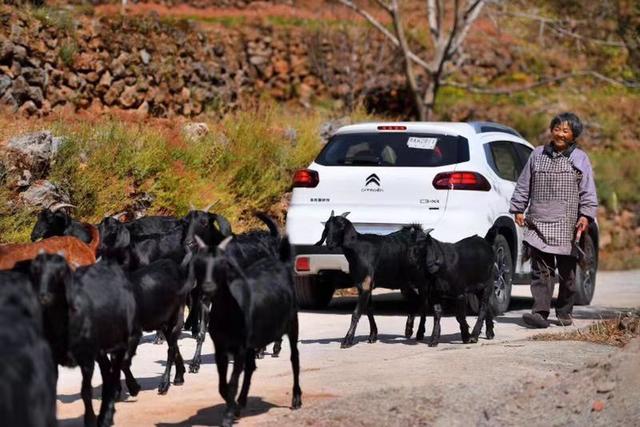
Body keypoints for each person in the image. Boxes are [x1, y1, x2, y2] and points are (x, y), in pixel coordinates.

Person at [510, 112, 598, 328]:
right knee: (541, 272)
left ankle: (564, 311)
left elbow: (588, 190)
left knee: (567, 274)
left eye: (565, 130)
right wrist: (518, 208)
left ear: (573, 135)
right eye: (556, 129)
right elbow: (524, 184)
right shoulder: (537, 154)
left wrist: (586, 215)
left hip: (568, 226)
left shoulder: (580, 158)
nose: (559, 134)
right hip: (538, 222)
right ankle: (539, 313)